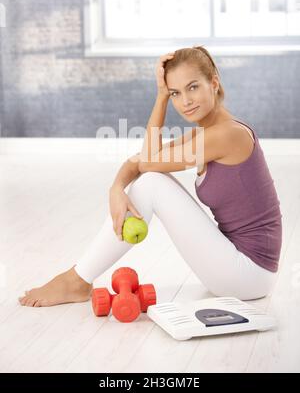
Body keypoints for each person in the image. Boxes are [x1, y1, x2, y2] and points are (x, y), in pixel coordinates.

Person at [18, 46, 282, 307]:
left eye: (193, 87)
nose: (185, 101)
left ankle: (77, 280)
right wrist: (116, 189)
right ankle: (78, 279)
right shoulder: (206, 134)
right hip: (236, 266)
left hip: (249, 275)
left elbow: (147, 163)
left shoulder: (227, 135)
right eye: (175, 93)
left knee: (152, 183)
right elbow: (138, 160)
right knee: (150, 179)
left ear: (213, 83)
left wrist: (160, 98)